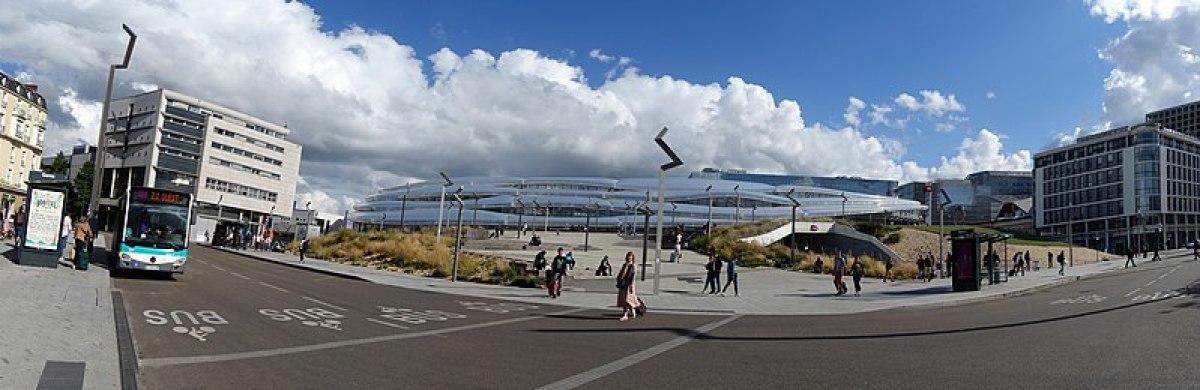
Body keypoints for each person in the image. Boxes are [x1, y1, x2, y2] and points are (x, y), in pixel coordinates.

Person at [616, 252, 640, 321]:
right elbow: (621, 274)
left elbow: (633, 277)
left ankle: (626, 314)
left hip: (629, 285)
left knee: (627, 299)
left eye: (630, 257)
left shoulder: (633, 266)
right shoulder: (624, 265)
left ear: (633, 258)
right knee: (624, 300)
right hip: (623, 284)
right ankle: (630, 311)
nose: (629, 258)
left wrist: (631, 286)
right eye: (628, 256)